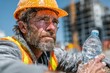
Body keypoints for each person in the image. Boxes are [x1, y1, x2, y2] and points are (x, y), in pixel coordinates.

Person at [0, 0, 106, 73]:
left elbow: (83, 59)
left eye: (55, 22)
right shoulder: (9, 47)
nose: (52, 27)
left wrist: (100, 62)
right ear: (23, 27)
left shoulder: (52, 55)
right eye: (43, 20)